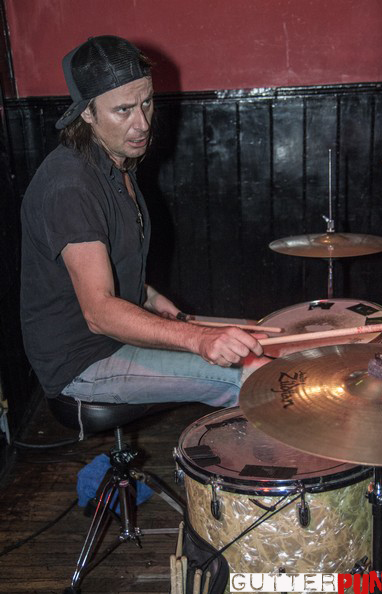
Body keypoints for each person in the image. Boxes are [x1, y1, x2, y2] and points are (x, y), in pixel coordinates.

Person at [20, 35, 270, 412]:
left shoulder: (115, 163)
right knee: (254, 376)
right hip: (82, 361)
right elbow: (99, 312)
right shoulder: (70, 186)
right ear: (86, 113)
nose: (141, 124)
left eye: (146, 103)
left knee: (259, 343)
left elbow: (106, 266)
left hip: (112, 339)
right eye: (123, 110)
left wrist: (150, 298)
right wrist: (197, 338)